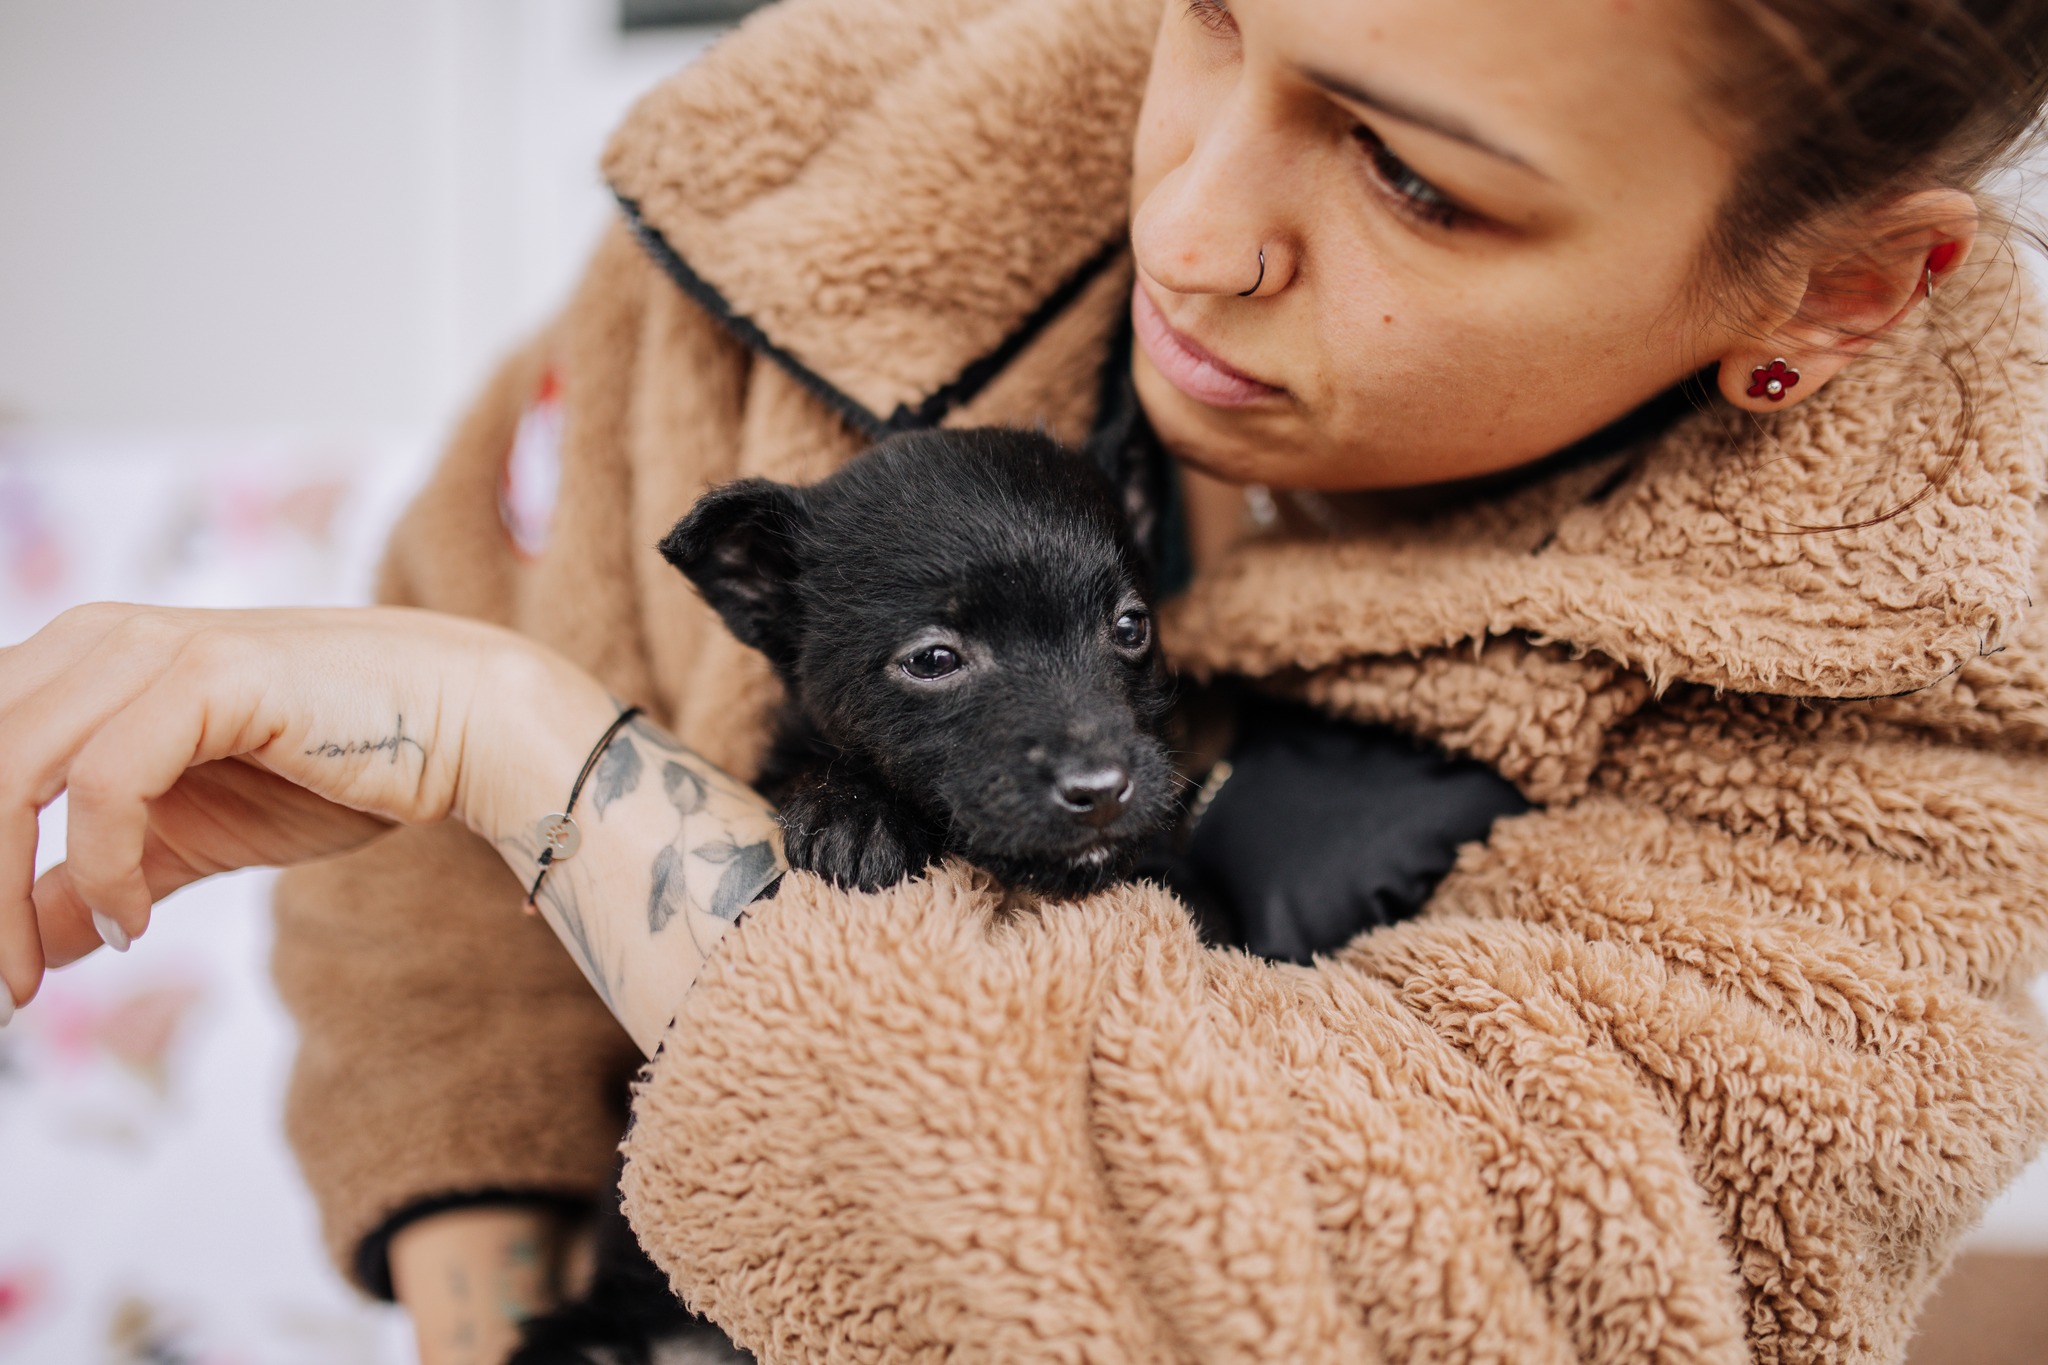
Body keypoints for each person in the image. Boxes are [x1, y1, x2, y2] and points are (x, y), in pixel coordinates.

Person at [6, 0, 2048, 1360]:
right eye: (1209, 13)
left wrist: (530, 750)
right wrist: (496, 1297)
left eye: (1415, 178)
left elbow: (1387, 1297)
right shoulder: (797, 203)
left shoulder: (1902, 705)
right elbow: (425, 882)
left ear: (1836, 292)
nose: (1190, 228)